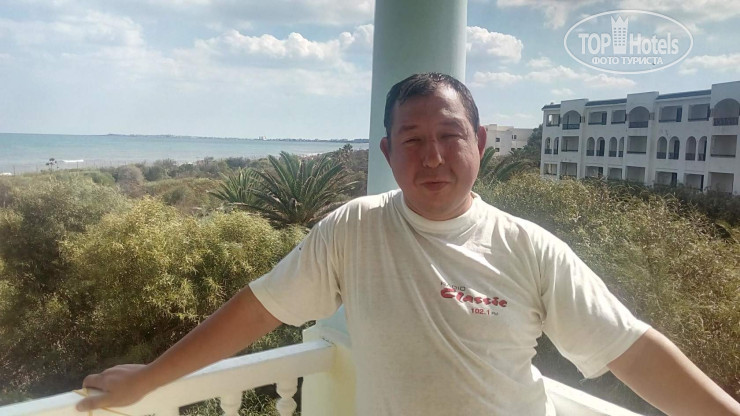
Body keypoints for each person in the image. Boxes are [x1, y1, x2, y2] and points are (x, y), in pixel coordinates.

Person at [78, 73, 740, 415]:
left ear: (480, 144)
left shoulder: (528, 248)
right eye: (413, 140)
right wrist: (151, 378)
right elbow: (258, 308)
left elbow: (631, 350)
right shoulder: (353, 229)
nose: (434, 156)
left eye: (450, 136)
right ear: (388, 151)